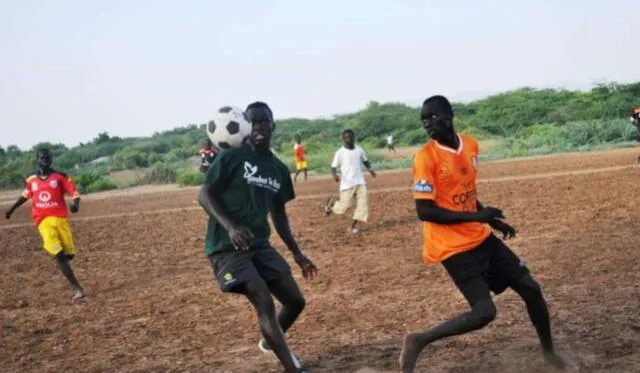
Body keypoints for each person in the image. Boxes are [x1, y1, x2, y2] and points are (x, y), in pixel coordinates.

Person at [399, 95, 570, 372]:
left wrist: (491, 221)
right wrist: (480, 216)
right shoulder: (425, 158)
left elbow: (463, 193)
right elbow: (425, 211)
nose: (428, 124)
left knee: (531, 289)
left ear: (450, 115)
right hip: (452, 248)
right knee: (485, 312)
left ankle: (549, 353)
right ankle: (419, 340)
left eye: (433, 117)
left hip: (480, 237)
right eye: (424, 120)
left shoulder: (471, 145)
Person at [198, 101, 317, 373]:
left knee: (295, 301)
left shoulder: (278, 169)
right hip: (226, 247)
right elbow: (204, 194)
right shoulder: (231, 157)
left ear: (273, 125)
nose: (260, 126)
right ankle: (293, 368)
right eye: (255, 122)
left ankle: (269, 340)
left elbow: (280, 216)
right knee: (264, 300)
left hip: (260, 245)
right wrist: (230, 227)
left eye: (265, 121)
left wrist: (298, 254)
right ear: (245, 126)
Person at [4, 148, 85, 301]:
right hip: (42, 221)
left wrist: (76, 205)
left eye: (48, 158)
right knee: (59, 255)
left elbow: (74, 192)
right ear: (37, 159)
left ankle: (69, 267)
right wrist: (11, 210)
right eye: (42, 158)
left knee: (69, 255)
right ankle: (78, 288)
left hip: (61, 220)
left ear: (51, 160)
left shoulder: (60, 176)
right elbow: (25, 195)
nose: (45, 161)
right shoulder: (31, 179)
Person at [324, 129, 376, 234]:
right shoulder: (340, 153)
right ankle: (332, 205)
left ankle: (351, 227)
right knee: (345, 206)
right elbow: (333, 167)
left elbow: (365, 161)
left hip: (360, 182)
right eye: (347, 137)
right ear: (343, 139)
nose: (349, 139)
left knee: (363, 205)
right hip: (347, 184)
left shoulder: (359, 150)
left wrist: (370, 170)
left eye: (351, 137)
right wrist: (334, 176)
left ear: (354, 137)